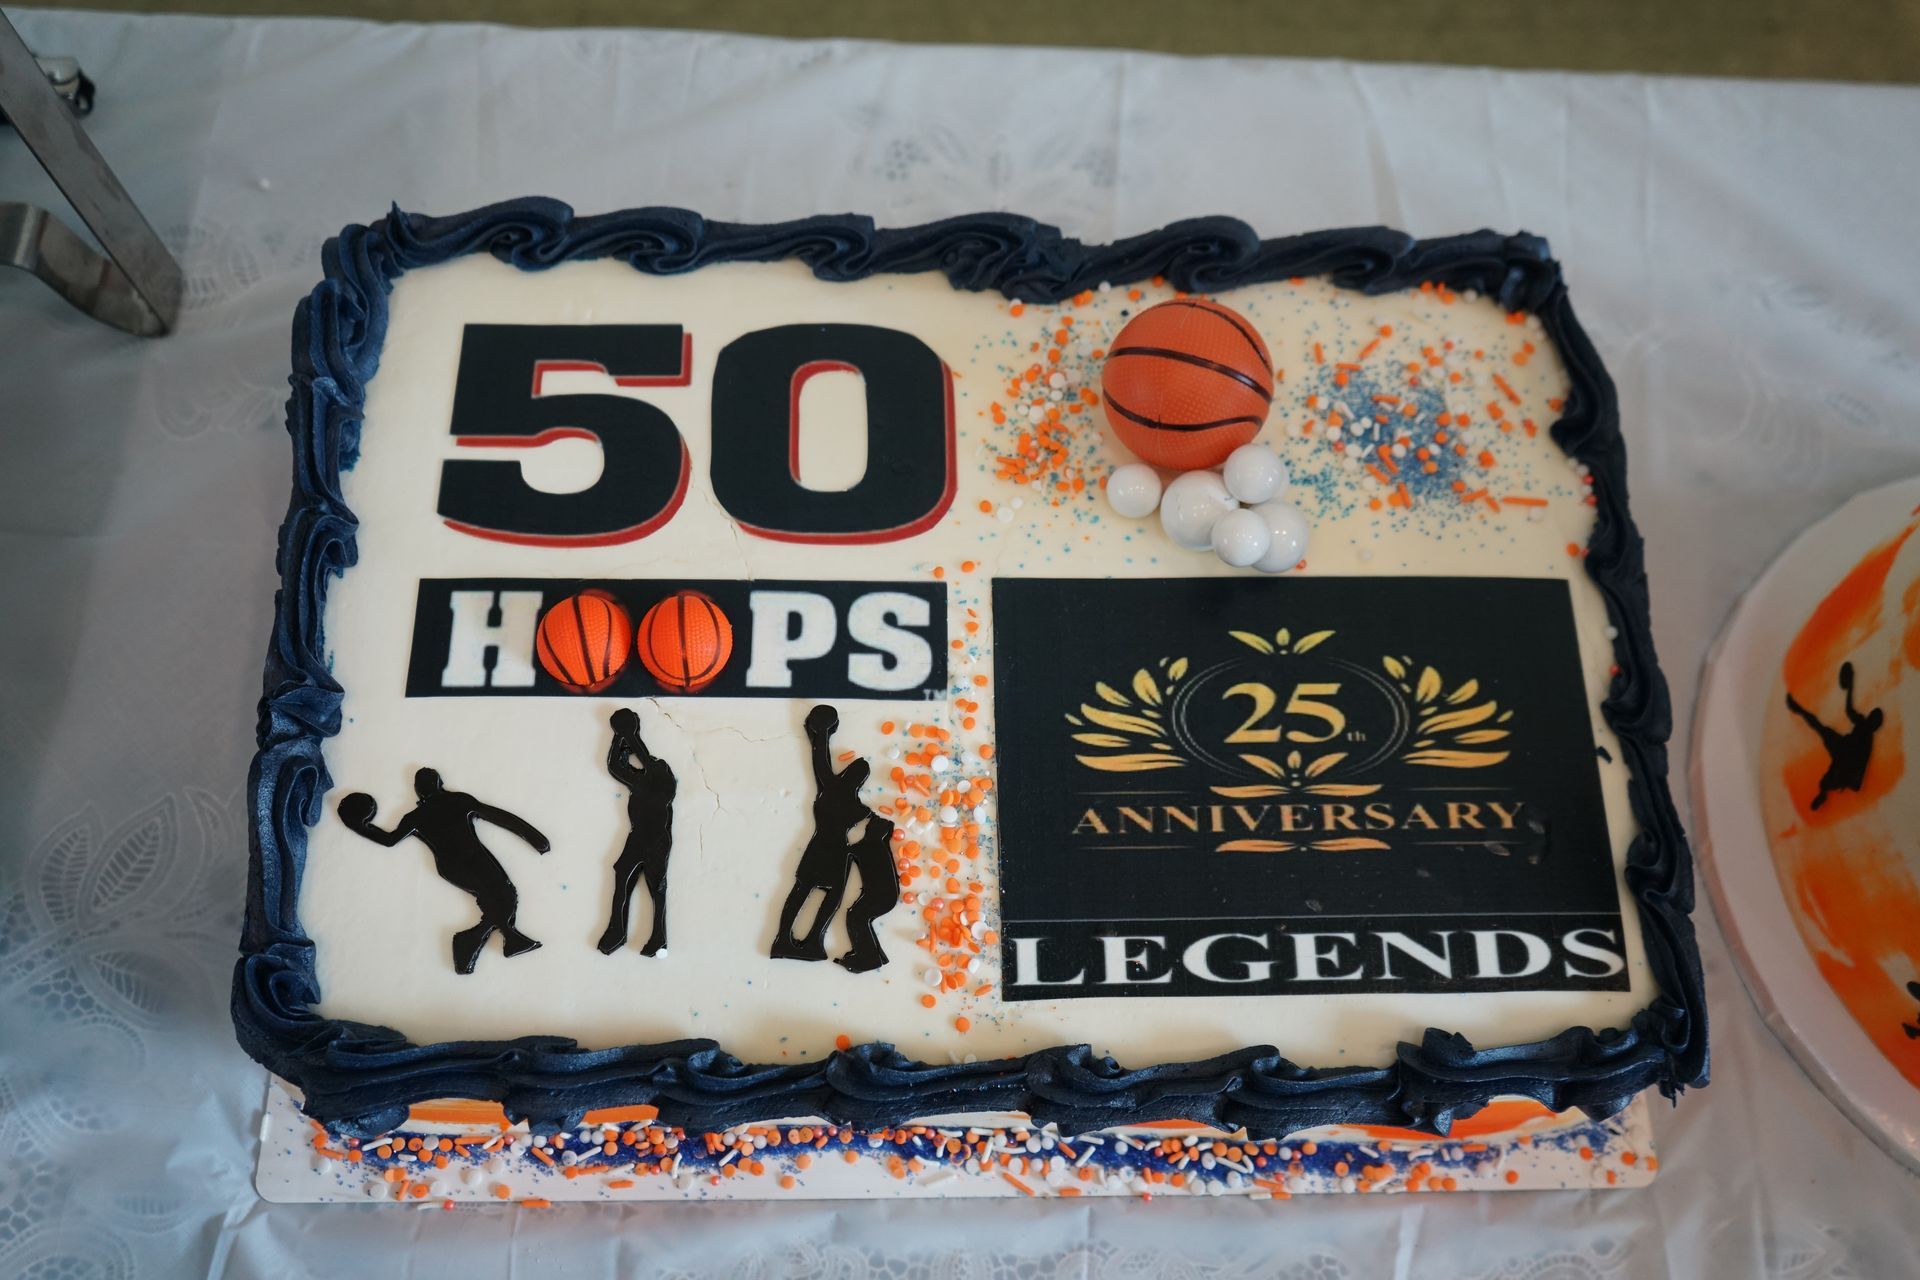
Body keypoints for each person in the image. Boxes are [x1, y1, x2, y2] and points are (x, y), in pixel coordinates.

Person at [337, 767, 549, 974]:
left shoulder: (419, 815)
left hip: (453, 866)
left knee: (501, 896)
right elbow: (498, 816)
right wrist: (534, 837)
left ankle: (491, 941)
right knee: (504, 894)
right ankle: (487, 940)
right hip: (471, 860)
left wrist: (359, 825)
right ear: (439, 783)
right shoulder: (454, 802)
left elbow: (389, 839)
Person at [770, 704, 873, 962]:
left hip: (821, 847)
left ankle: (787, 938)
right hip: (837, 850)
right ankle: (812, 941)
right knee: (828, 896)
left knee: (802, 891)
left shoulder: (829, 788)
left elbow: (820, 757)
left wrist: (822, 733)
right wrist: (821, 733)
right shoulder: (857, 808)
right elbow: (820, 757)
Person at [598, 708, 676, 957]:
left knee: (656, 887)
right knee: (622, 875)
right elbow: (615, 765)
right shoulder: (640, 782)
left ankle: (658, 937)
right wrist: (619, 737)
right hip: (637, 836)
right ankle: (617, 931)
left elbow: (650, 765)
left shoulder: (662, 776)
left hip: (656, 838)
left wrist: (631, 736)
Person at [1784, 662, 1884, 810]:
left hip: (1846, 759)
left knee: (1827, 781)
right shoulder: (1862, 722)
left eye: (1873, 718)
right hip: (1843, 747)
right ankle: (1798, 709)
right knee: (1819, 727)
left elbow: (1859, 768)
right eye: (1872, 715)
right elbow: (1849, 710)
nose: (1871, 717)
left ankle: (1823, 793)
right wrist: (1850, 688)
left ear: (1875, 725)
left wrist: (1849, 779)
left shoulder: (1867, 739)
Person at [835, 814, 900, 973]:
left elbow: (845, 851)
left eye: (869, 827)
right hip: (885, 895)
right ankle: (874, 954)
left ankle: (868, 959)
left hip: (880, 896)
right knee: (857, 917)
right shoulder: (879, 845)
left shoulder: (869, 847)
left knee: (856, 917)